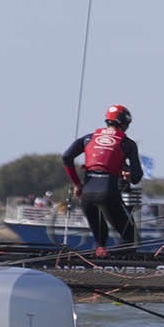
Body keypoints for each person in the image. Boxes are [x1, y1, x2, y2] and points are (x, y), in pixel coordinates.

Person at [63, 104, 143, 257]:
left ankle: (99, 262)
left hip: (87, 195)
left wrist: (77, 184)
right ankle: (117, 265)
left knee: (101, 241)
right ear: (125, 123)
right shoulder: (127, 143)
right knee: (131, 239)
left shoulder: (88, 138)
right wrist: (129, 176)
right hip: (108, 194)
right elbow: (137, 177)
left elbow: (66, 157)